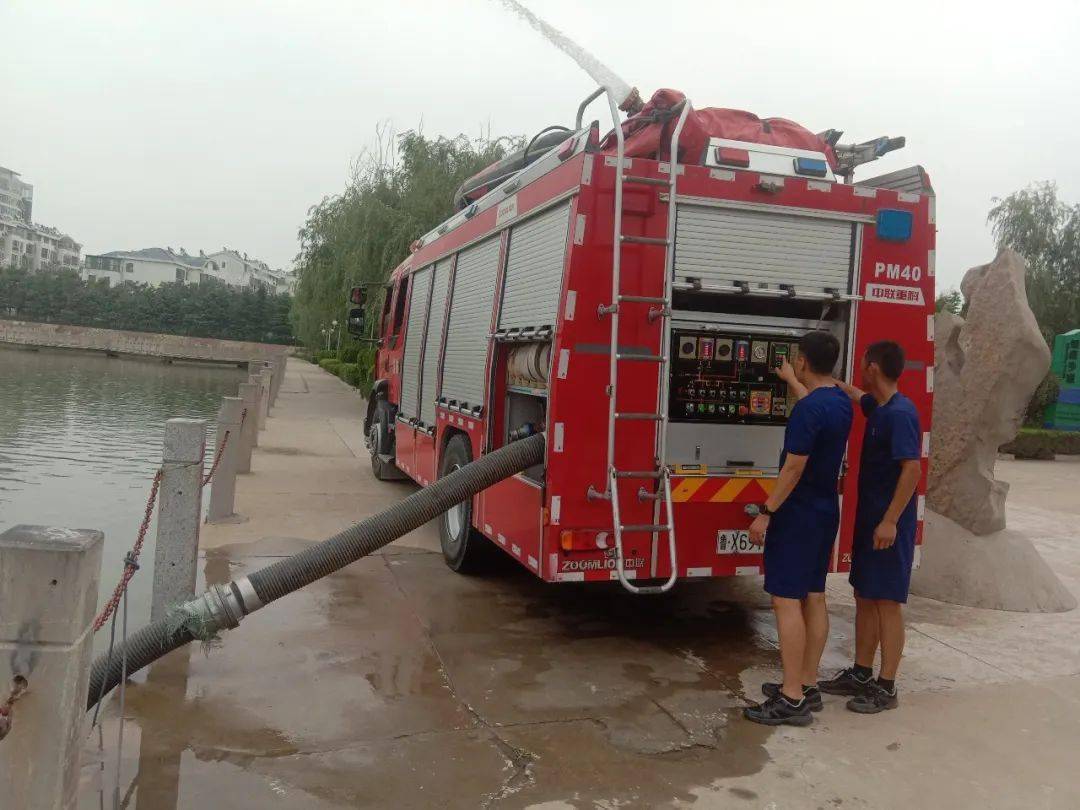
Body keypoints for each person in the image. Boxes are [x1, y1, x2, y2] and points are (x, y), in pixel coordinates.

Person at [744, 331, 853, 727]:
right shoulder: (839, 402)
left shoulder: (809, 411)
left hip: (798, 513)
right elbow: (815, 410)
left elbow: (794, 467)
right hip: (825, 509)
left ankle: (790, 700)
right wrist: (791, 381)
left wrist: (766, 512)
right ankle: (807, 685)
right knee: (815, 596)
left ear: (804, 360)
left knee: (785, 600)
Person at [819, 340, 922, 713]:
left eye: (864, 362)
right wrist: (830, 382)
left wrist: (890, 521)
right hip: (871, 523)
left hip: (886, 527)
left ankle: (887, 685)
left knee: (886, 603)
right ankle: (861, 673)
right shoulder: (880, 407)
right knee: (864, 595)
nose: (861, 366)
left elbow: (912, 469)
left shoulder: (901, 414)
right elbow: (860, 395)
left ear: (874, 366)